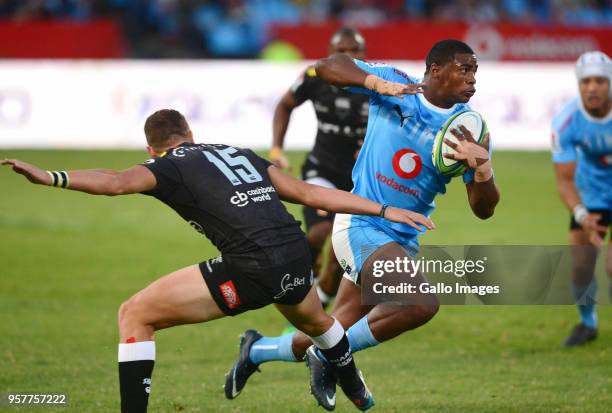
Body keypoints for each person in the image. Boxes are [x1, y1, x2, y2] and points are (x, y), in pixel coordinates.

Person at [1, 109, 436, 412]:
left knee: (134, 314)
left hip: (252, 267)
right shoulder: (236, 152)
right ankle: (354, 385)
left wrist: (52, 176)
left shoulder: (167, 165)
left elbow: (115, 181)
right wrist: (379, 208)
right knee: (319, 323)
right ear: (191, 135)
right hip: (294, 253)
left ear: (154, 150)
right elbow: (307, 193)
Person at [230, 39, 500, 410]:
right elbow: (327, 65)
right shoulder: (394, 85)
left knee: (332, 327)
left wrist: (481, 167)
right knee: (420, 304)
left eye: (475, 72)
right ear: (436, 70)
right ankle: (329, 358)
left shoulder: (471, 129)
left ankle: (257, 349)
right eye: (464, 70)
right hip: (361, 223)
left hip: (402, 238)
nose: (473, 81)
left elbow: (484, 210)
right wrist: (373, 84)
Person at [271, 27, 369, 306]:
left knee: (344, 253)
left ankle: (321, 305)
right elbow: (284, 105)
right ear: (330, 53)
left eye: (355, 50)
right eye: (342, 51)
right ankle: (304, 274)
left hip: (360, 179)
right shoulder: (315, 76)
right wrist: (277, 149)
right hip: (321, 169)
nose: (349, 56)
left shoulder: (376, 82)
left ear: (364, 53)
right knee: (320, 231)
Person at [551, 51, 611, 347]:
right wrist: (582, 215)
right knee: (581, 266)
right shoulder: (566, 121)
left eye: (600, 81)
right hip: (591, 194)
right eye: (586, 81)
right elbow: (563, 180)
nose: (593, 88)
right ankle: (588, 324)